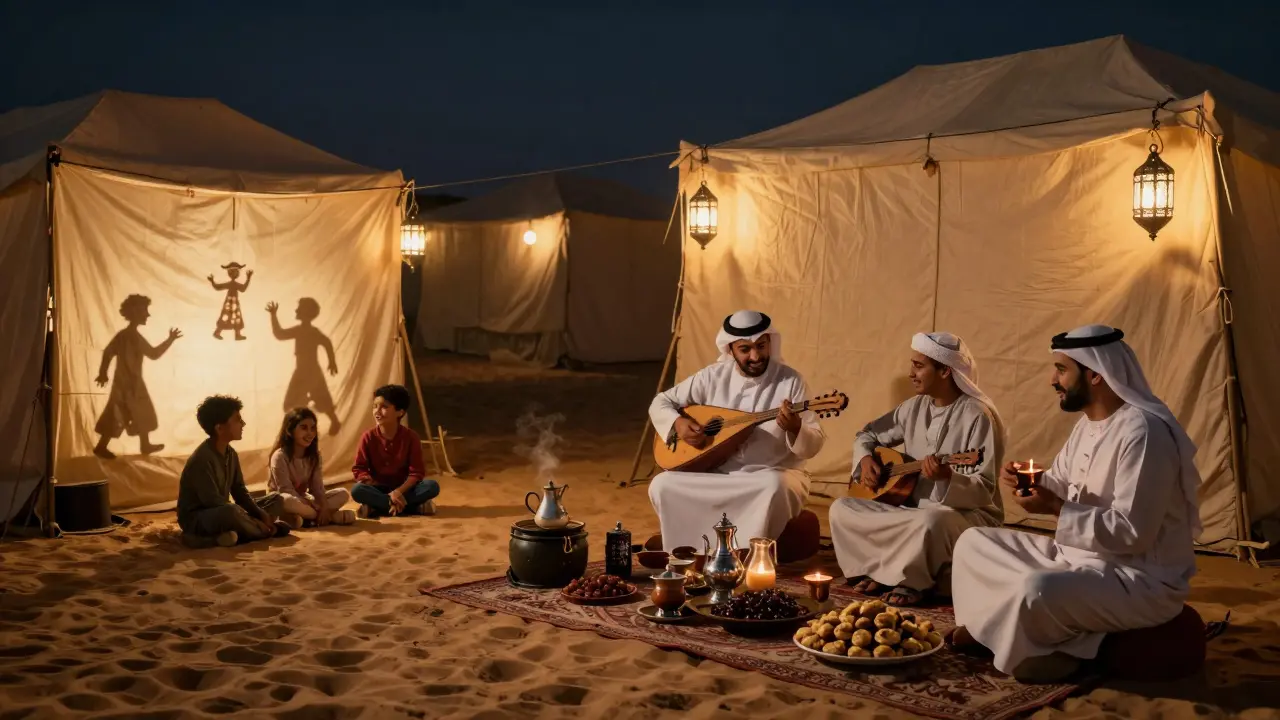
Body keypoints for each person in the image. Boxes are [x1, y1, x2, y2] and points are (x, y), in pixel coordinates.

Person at [950, 324, 1199, 683]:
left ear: (1095, 374)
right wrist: (1033, 479)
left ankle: (1067, 651)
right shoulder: (1089, 425)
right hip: (1076, 558)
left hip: (1137, 579)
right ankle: (996, 631)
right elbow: (1063, 483)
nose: (1054, 379)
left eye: (1062, 369)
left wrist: (1055, 508)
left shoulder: (1143, 434)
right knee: (974, 542)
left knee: (1037, 588)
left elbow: (1131, 534)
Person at [828, 332, 1004, 606]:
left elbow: (985, 490)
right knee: (842, 508)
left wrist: (948, 479)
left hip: (963, 515)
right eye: (912, 365)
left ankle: (909, 582)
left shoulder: (977, 415)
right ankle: (877, 571)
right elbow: (867, 435)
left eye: (919, 366)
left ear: (945, 371)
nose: (911, 373)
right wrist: (865, 459)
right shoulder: (912, 408)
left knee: (931, 521)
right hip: (908, 510)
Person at [646, 310, 825, 551]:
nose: (755, 356)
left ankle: (744, 555)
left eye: (761, 346)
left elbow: (813, 443)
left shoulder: (790, 381)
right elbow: (660, 402)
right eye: (745, 349)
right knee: (662, 484)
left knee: (774, 487)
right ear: (730, 349)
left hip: (768, 475)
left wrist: (796, 429)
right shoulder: (712, 377)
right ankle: (688, 552)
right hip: (715, 475)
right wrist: (678, 423)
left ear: (770, 342)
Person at [177, 395, 290, 548]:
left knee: (276, 499)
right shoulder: (201, 460)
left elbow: (239, 491)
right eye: (237, 419)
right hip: (200, 517)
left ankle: (231, 536)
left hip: (224, 510)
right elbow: (212, 502)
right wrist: (254, 520)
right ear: (219, 428)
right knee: (230, 512)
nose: (243, 424)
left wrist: (259, 513)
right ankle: (266, 531)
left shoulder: (231, 454)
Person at [93, 294, 182, 459]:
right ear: (134, 313)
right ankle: (103, 446)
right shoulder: (127, 336)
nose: (147, 315)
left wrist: (170, 340)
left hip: (133, 382)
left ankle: (144, 444)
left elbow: (153, 354)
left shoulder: (133, 336)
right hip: (125, 384)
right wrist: (102, 373)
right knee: (118, 413)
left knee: (140, 411)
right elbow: (109, 352)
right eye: (144, 311)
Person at [351, 384, 440, 518]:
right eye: (375, 406)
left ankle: (378, 507)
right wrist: (368, 480)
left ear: (400, 412)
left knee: (432, 486)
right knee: (357, 490)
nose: (377, 411)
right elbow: (359, 468)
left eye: (384, 407)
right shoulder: (368, 437)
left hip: (405, 489)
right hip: (378, 488)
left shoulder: (411, 437)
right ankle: (411, 507)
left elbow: (416, 473)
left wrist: (398, 492)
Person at [268, 407, 356, 528]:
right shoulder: (279, 457)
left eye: (313, 428)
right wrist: (316, 507)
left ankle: (308, 519)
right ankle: (329, 517)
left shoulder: (314, 456)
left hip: (305, 501)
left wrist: (323, 506)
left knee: (343, 493)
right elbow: (286, 491)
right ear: (290, 430)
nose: (310, 433)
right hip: (283, 501)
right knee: (286, 500)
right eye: (303, 428)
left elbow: (317, 488)